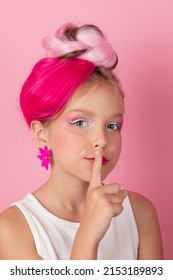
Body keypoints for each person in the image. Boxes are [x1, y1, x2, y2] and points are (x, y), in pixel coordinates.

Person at [0, 23, 163, 260]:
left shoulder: (141, 214)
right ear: (41, 133)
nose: (101, 140)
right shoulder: (13, 229)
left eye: (113, 126)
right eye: (79, 122)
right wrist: (88, 235)